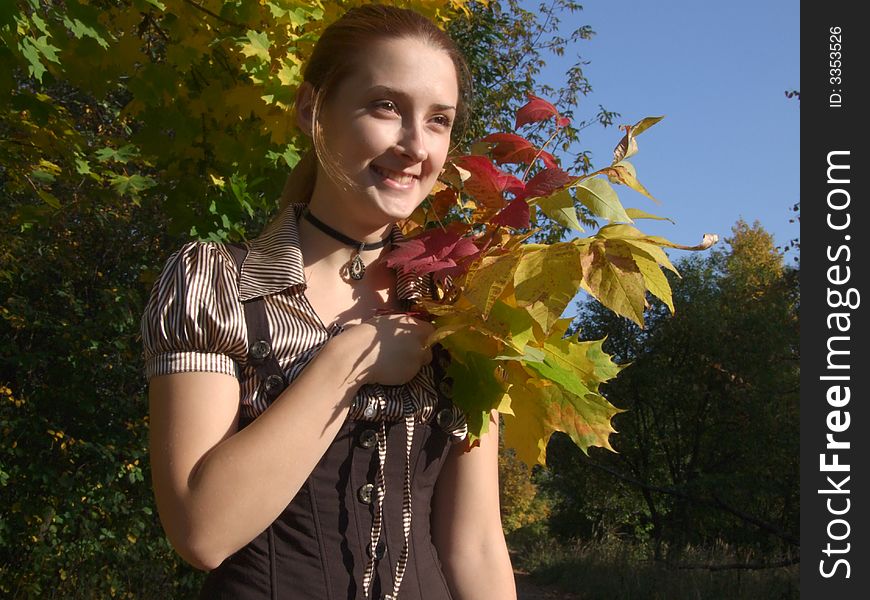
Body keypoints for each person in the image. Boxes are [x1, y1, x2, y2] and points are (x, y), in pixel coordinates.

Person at [141, 5, 517, 599]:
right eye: (386, 107)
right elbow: (201, 530)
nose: (416, 145)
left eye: (439, 120)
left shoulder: (460, 306)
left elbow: (473, 543)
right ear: (310, 110)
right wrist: (352, 359)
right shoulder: (216, 283)